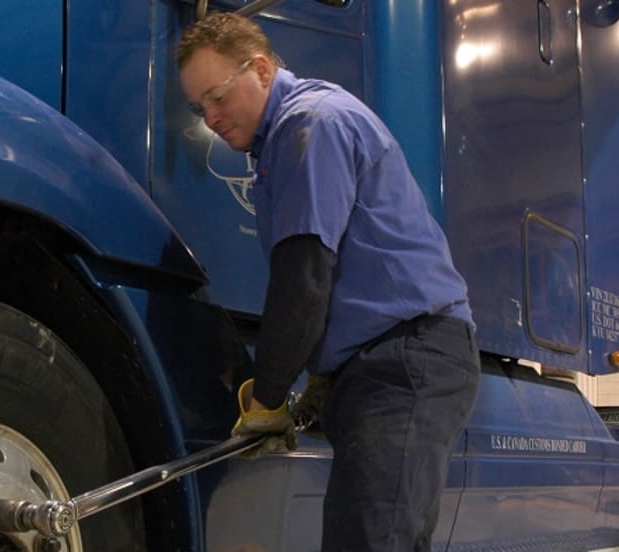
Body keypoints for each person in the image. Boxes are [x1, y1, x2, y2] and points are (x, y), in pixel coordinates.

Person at [177, 12, 481, 552]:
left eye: (218, 97)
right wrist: (324, 377)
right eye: (201, 107)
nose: (213, 117)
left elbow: (303, 278)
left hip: (406, 358)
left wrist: (267, 400)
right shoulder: (284, 138)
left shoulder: (311, 124)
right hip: (392, 358)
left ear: (261, 69)